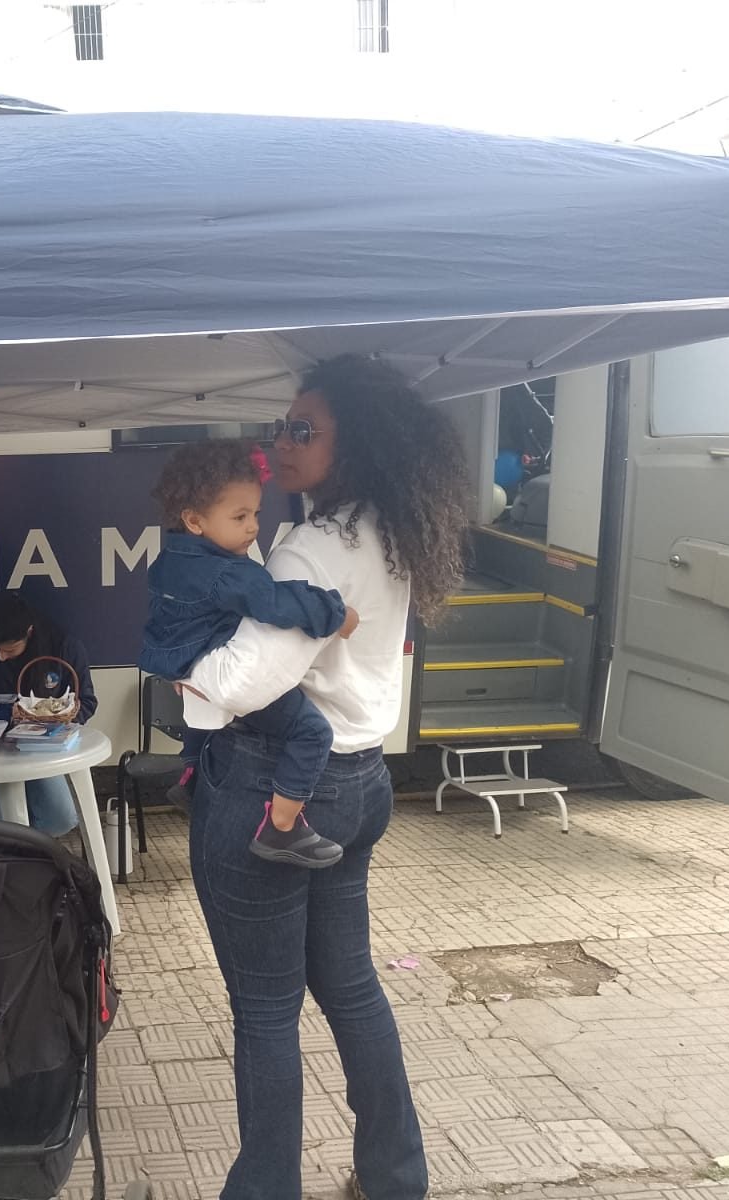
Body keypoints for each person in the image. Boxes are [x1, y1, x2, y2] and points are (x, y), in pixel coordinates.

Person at [180, 355, 470, 1200]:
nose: (284, 441)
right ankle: (394, 1177)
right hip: (358, 782)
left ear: (357, 441)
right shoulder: (391, 528)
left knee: (266, 1010)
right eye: (283, 426)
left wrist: (181, 662)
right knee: (350, 985)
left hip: (273, 790)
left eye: (304, 429)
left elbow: (241, 683)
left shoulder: (309, 549)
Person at [139, 439, 357, 868]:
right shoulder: (229, 572)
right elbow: (277, 602)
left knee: (206, 713)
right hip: (216, 666)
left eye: (256, 513)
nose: (253, 527)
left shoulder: (169, 559)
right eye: (239, 517)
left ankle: (190, 776)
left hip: (180, 665)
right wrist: (335, 613)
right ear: (194, 520)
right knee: (312, 732)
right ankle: (282, 825)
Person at [0, 592, 98, 835]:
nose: (1, 657)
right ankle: (2, 858)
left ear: (29, 632)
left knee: (61, 818)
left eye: (9, 650)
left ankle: (31, 851)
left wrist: (55, 720)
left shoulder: (63, 646)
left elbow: (87, 703)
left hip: (40, 750)